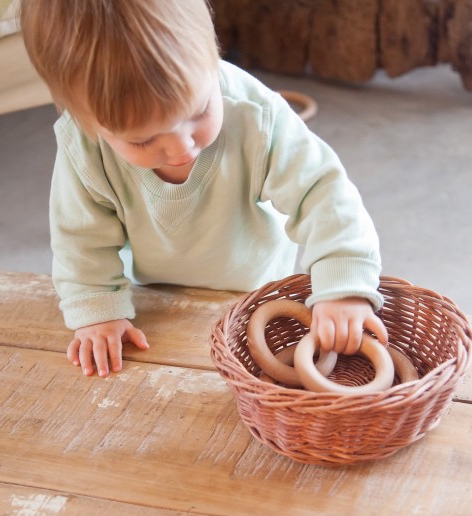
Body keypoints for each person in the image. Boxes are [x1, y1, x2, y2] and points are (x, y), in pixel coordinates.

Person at [20, 0, 387, 378]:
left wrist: (343, 287)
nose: (181, 148)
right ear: (90, 123)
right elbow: (80, 237)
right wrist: (96, 310)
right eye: (143, 141)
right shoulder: (83, 145)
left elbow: (323, 195)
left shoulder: (255, 114)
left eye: (198, 113)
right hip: (154, 298)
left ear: (212, 55)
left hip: (255, 293)